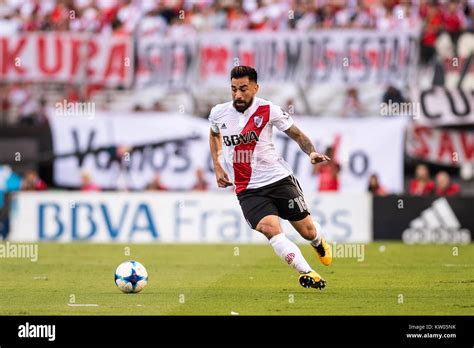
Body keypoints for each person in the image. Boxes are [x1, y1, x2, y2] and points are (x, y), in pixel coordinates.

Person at [208, 66, 332, 290]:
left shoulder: (268, 109)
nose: (238, 94)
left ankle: (317, 241)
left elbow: (296, 134)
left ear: (255, 87)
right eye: (233, 89)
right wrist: (218, 166)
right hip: (247, 188)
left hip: (278, 179)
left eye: (243, 89)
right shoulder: (219, 112)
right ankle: (308, 272)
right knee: (270, 229)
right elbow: (214, 133)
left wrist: (311, 152)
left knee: (307, 231)